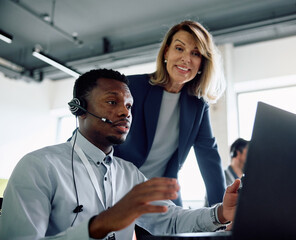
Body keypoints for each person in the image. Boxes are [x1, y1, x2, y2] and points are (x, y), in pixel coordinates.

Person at [0, 69, 240, 240]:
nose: (125, 113)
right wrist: (99, 226)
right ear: (79, 109)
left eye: (129, 106)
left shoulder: (130, 174)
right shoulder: (38, 167)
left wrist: (220, 213)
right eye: (112, 102)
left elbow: (171, 219)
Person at [113, 20, 227, 206]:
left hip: (161, 195)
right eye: (179, 48)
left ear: (202, 63)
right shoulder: (132, 87)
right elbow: (100, 136)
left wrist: (222, 211)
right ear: (167, 52)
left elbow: (209, 157)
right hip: (119, 189)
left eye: (195, 53)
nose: (186, 59)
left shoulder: (198, 106)